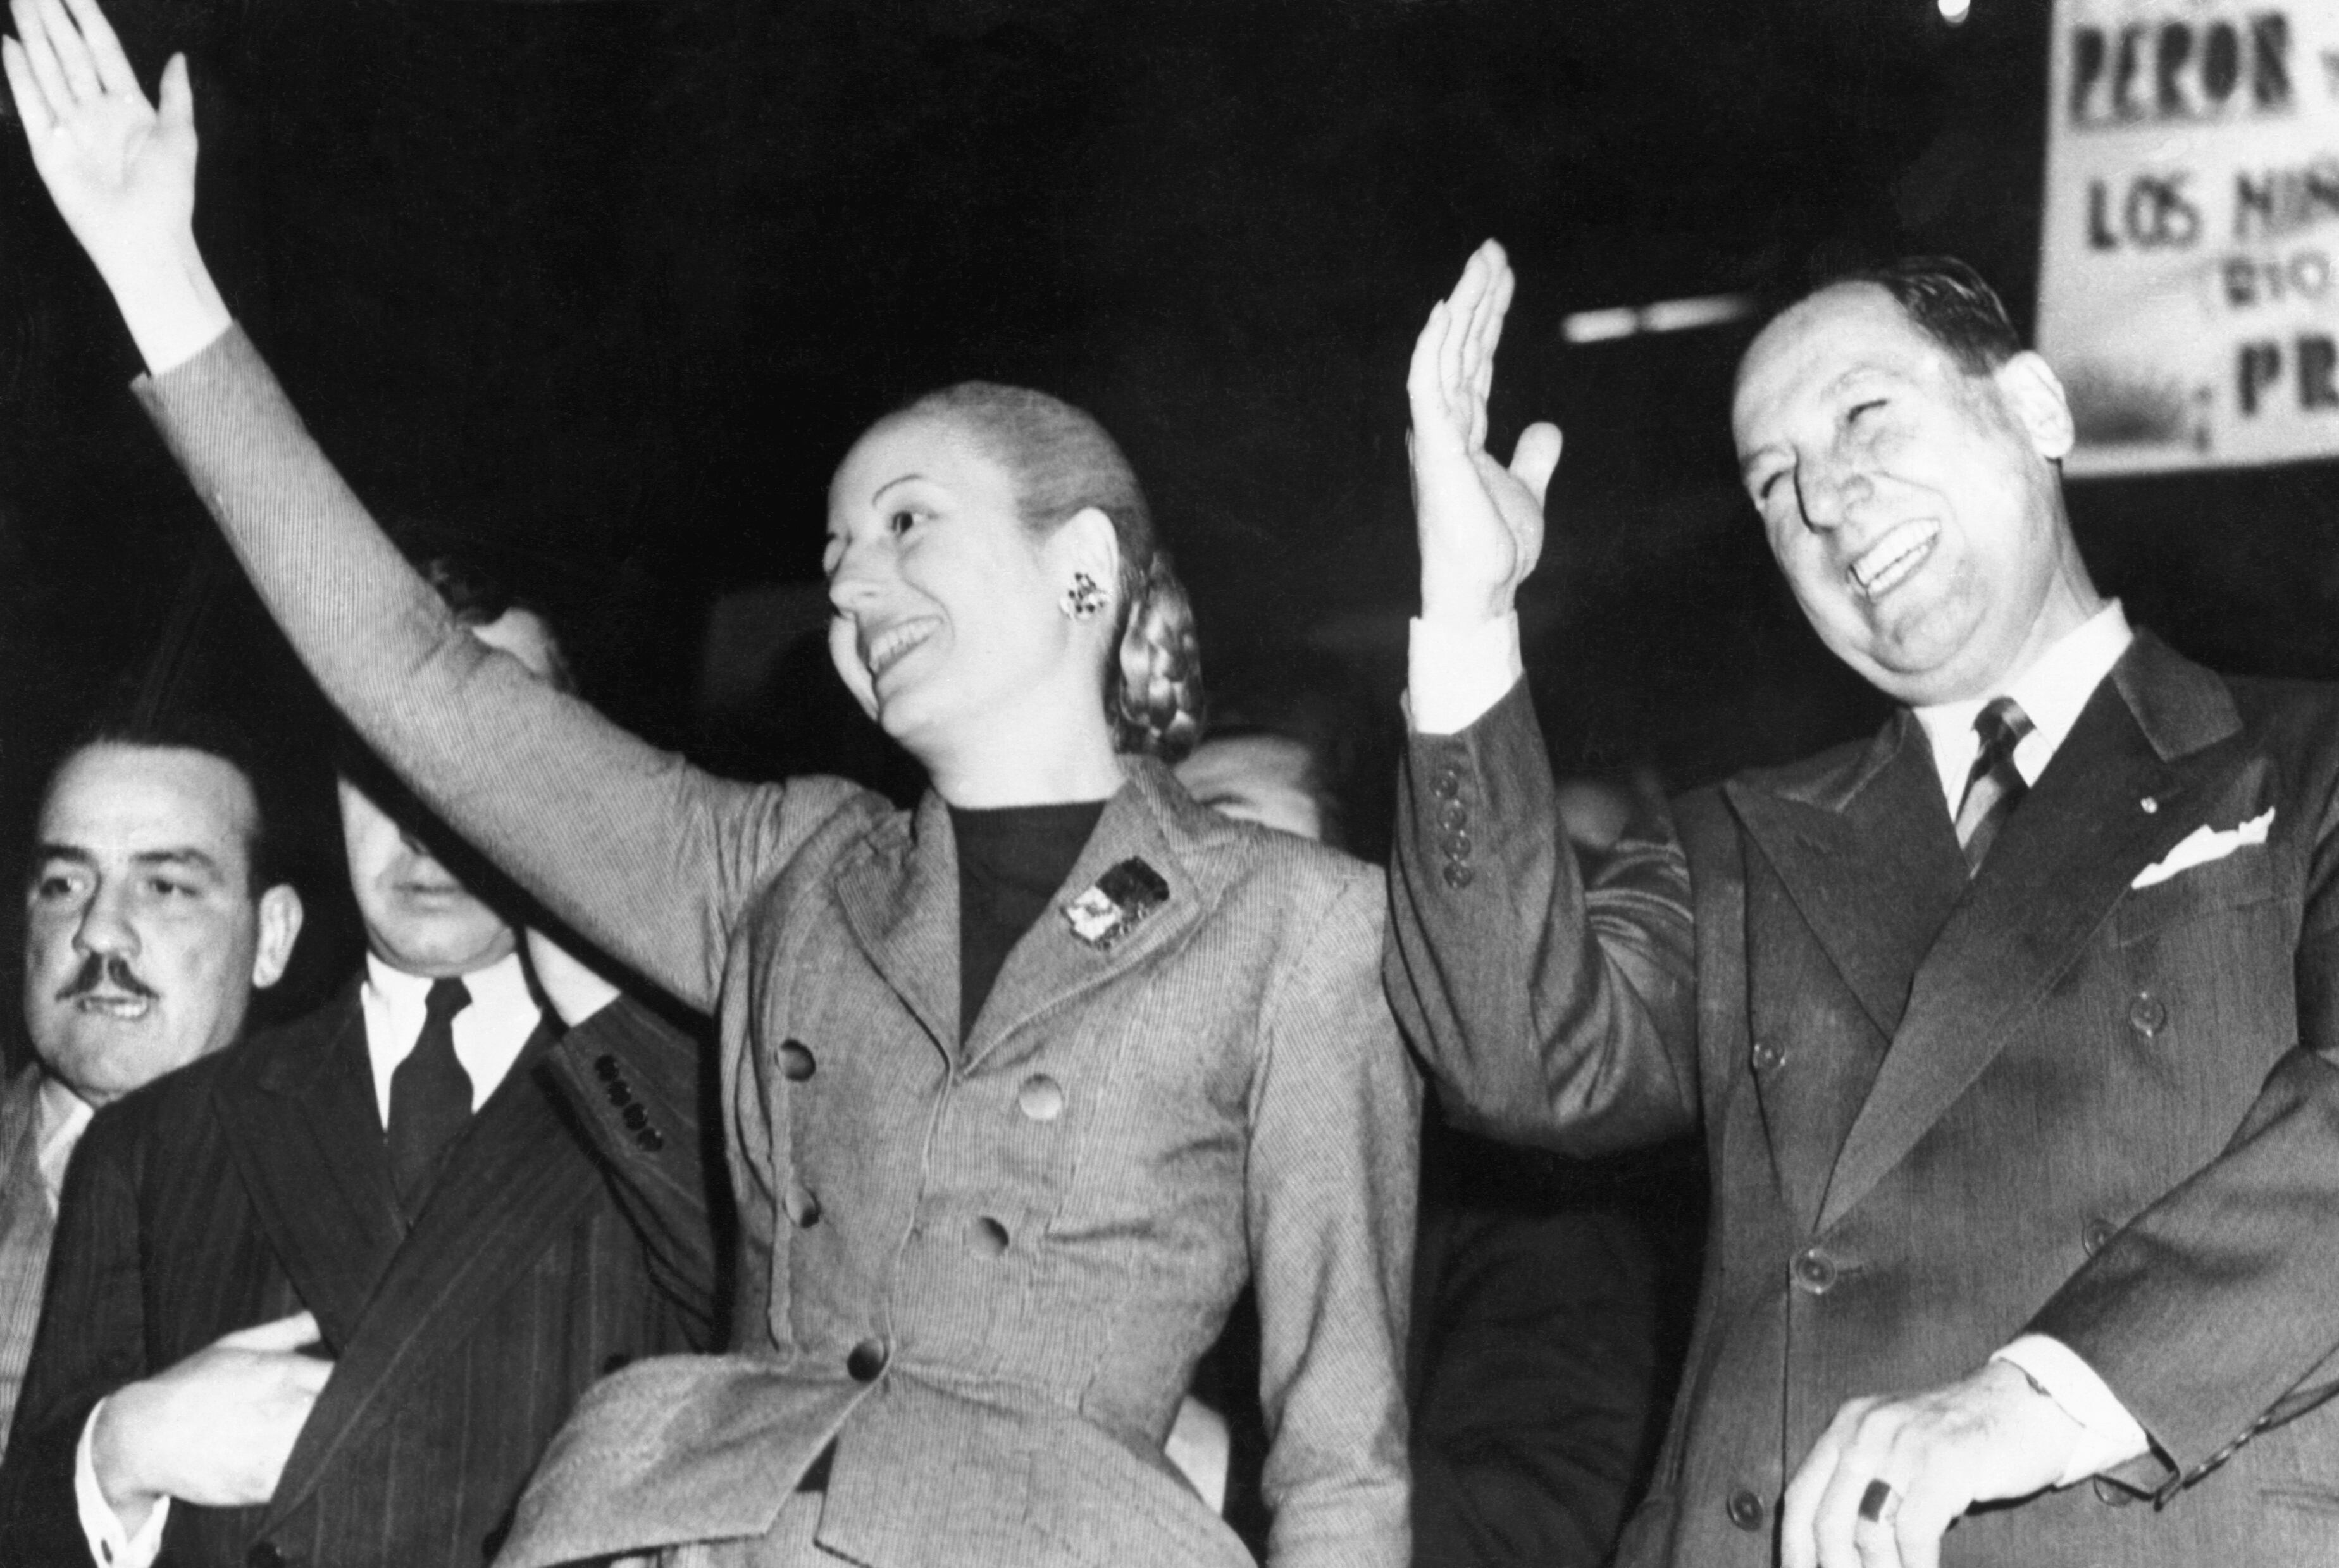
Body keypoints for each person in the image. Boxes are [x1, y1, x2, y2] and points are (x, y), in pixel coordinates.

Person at [1, 7, 1418, 1567]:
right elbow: (423, 684)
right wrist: (160, 279)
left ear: (1081, 572)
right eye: (831, 557)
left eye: (907, 525)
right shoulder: (785, 869)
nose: (854, 587)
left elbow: (1344, 1458)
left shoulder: (1297, 927)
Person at [1387, 235, 2339, 1568]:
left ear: (2037, 408)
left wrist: (2033, 1400)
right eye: (1774, 486)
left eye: (1864, 418)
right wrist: (1469, 606)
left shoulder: (2298, 762)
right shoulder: (1740, 839)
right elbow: (1517, 1057)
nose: (1826, 501)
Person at [0, 576, 723, 1568]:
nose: (426, 813)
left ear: (574, 767)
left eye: (486, 742)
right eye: (383, 748)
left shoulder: (699, 1113)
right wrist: (118, 1453)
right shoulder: (153, 1140)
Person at [0, 719, 304, 1460]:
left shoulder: (335, 1218)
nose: (101, 932)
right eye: (65, 884)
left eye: (165, 886)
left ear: (271, 937)